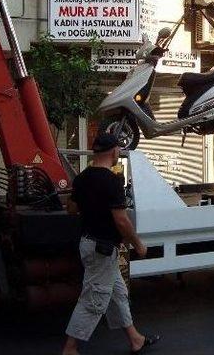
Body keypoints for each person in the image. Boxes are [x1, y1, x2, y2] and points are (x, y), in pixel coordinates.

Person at [62, 133, 161, 355]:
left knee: (117, 293)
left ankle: (135, 339)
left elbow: (71, 209)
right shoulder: (112, 181)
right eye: (118, 149)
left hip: (89, 244)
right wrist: (138, 243)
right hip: (102, 249)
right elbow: (121, 219)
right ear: (113, 151)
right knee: (94, 299)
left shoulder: (82, 178)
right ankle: (70, 348)